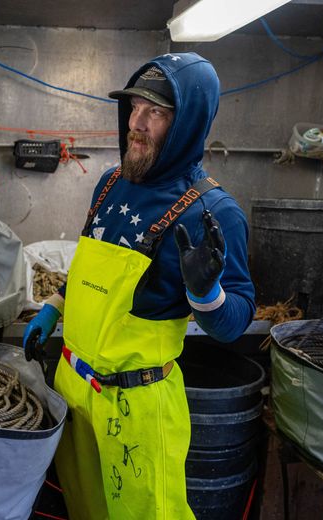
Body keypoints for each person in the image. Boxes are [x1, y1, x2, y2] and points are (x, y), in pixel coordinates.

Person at [23, 53, 255, 519]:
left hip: (136, 408)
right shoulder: (109, 183)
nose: (137, 123)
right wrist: (52, 306)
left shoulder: (214, 212)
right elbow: (93, 264)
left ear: (188, 121)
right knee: (85, 510)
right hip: (75, 389)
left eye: (156, 112)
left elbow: (234, 325)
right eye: (134, 107)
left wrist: (206, 295)